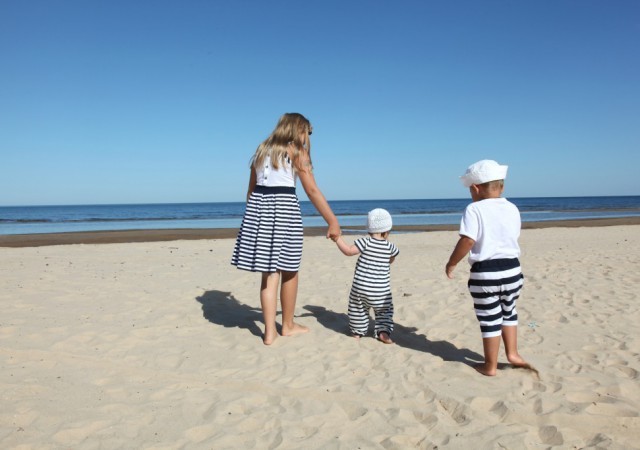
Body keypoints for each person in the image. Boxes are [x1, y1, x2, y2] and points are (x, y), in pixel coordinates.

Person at [231, 113, 341, 345]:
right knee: (290, 269)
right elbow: (311, 191)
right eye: (307, 132)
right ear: (298, 130)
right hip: (284, 210)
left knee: (269, 274)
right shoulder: (296, 151)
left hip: (259, 210)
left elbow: (251, 191)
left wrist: (256, 218)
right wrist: (332, 220)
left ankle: (269, 332)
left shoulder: (262, 149)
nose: (308, 137)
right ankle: (287, 325)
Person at [445, 160, 536, 376]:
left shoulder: (474, 209)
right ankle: (513, 354)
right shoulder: (512, 208)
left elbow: (467, 240)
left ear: (475, 188)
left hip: (486, 273)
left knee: (489, 318)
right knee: (509, 311)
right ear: (501, 186)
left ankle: (490, 366)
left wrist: (452, 262)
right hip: (513, 270)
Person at [334, 208, 399, 344]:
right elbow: (391, 259)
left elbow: (348, 251)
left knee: (357, 309)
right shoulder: (390, 247)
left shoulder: (365, 242)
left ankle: (357, 332)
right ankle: (383, 332)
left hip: (361, 288)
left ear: (369, 230)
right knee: (384, 311)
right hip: (381, 291)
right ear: (387, 231)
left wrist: (337, 239)